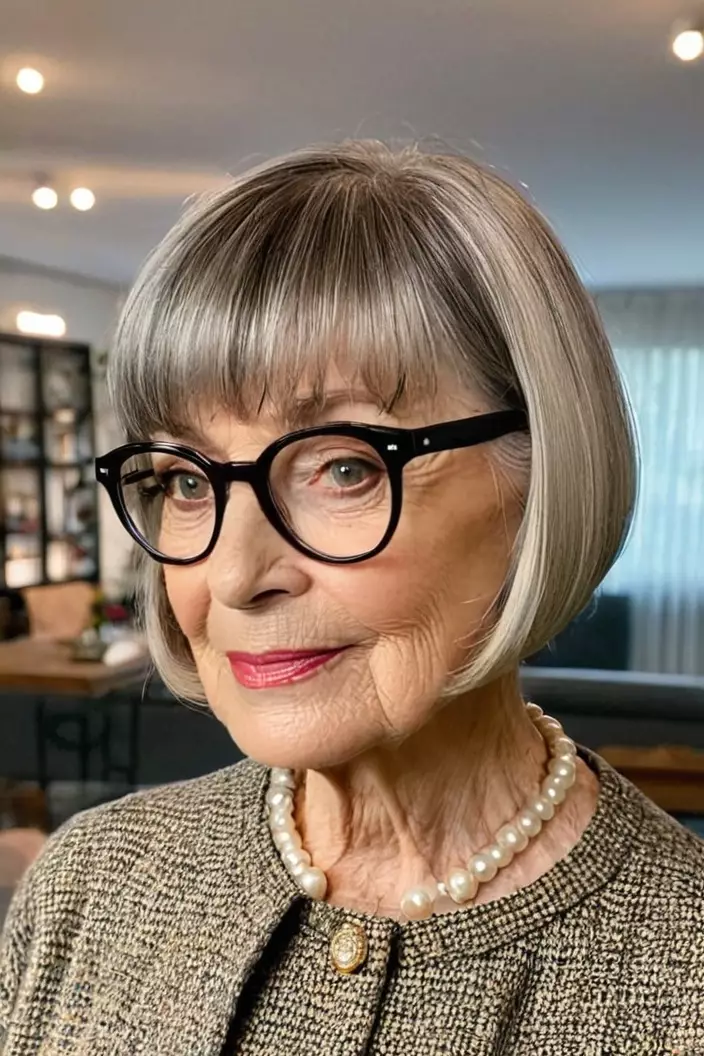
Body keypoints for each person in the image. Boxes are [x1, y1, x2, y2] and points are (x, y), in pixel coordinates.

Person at [2, 140, 703, 1055]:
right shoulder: (87, 886)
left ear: (541, 476)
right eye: (185, 481)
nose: (233, 575)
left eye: (343, 466)